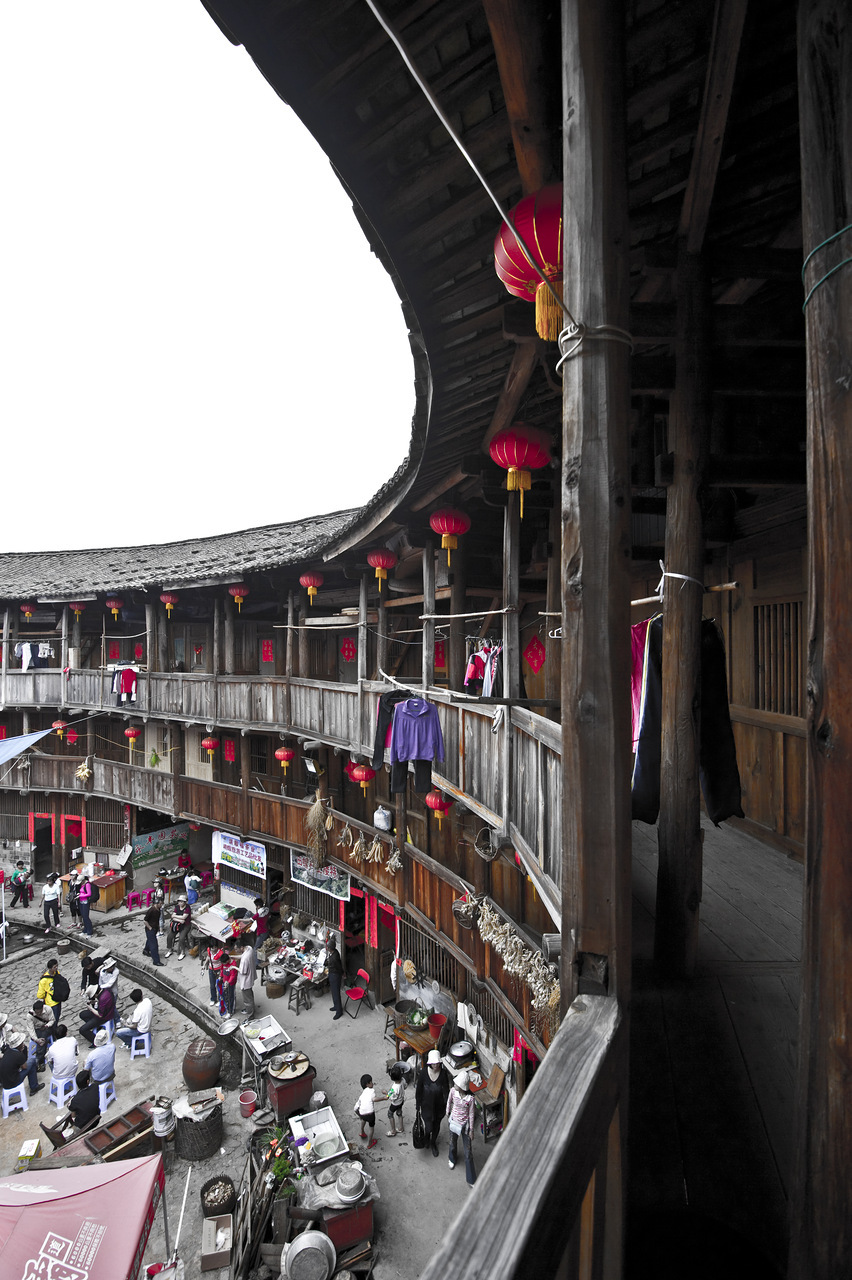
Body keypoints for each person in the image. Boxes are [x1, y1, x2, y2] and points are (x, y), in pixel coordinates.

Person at [415, 1048, 450, 1157]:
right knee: (428, 1127)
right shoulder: (424, 1073)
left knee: (436, 1126)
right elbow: (419, 1090)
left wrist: (447, 1105)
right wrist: (418, 1104)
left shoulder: (443, 1074)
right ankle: (426, 1138)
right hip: (426, 1106)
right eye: (434, 1064)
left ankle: (433, 1142)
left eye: (438, 1063)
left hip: (439, 1106)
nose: (436, 1066)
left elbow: (446, 1090)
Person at [446, 1069, 477, 1185]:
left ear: (463, 1087)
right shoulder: (453, 1092)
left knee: (468, 1152)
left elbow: (471, 1114)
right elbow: (449, 1102)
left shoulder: (470, 1099)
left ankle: (471, 1178)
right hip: (453, 1121)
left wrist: (471, 1130)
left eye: (457, 1084)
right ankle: (452, 1158)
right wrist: (447, 1112)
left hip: (465, 1126)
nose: (454, 1085)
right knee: (452, 1143)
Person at [0, 1028, 43, 1096]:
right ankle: (34, 1087)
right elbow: (25, 1067)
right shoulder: (18, 1055)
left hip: (5, 1083)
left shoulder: (7, 1051)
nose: (23, 1044)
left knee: (29, 1063)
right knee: (31, 1062)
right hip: (14, 1082)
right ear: (19, 1044)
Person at [354, 1072, 387, 1150]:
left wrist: (360, 1116)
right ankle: (369, 1143)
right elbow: (374, 1099)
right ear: (367, 1084)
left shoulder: (362, 1095)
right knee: (371, 1128)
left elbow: (355, 1108)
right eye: (371, 1082)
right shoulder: (371, 1090)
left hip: (362, 1112)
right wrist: (384, 1098)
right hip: (370, 1113)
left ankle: (361, 1132)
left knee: (363, 1119)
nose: (372, 1083)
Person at [36, 958, 66, 1024]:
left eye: (57, 966)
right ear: (50, 968)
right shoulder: (43, 981)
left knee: (57, 1017)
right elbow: (40, 995)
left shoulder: (56, 973)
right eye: (54, 967)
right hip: (51, 1003)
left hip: (58, 999)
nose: (56, 968)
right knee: (53, 1019)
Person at [27, 999, 55, 1070]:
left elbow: (52, 1020)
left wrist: (46, 1026)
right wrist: (36, 1039)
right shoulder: (30, 1016)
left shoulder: (48, 1009)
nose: (39, 1014)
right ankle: (40, 1060)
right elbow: (31, 1029)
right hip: (37, 1029)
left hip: (47, 1026)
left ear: (43, 1008)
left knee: (44, 1035)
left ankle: (39, 1060)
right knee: (41, 1039)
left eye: (40, 1012)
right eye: (37, 1012)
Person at [386, 1062, 407, 1136]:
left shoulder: (395, 1087)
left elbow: (392, 1098)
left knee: (390, 1114)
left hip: (395, 1103)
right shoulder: (403, 1080)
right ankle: (401, 1128)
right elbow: (405, 1086)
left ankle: (393, 1130)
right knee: (399, 1113)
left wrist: (387, 1093)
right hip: (401, 1101)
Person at [237, 943, 257, 1018]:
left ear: (241, 947)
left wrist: (233, 967)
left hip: (246, 982)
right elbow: (242, 956)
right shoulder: (249, 948)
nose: (236, 950)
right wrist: (232, 957)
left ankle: (250, 1015)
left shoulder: (245, 959)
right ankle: (251, 1009)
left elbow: (243, 971)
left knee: (247, 1000)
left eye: (237, 949)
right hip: (250, 978)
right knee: (250, 996)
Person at [327, 935, 344, 1019]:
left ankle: (339, 1011)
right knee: (333, 992)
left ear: (330, 948)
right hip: (333, 974)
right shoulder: (335, 952)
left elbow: (338, 967)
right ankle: (336, 1006)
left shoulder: (334, 958)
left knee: (336, 993)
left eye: (328, 947)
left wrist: (342, 974)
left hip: (335, 976)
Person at [219, 952, 238, 1017]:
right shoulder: (223, 963)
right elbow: (222, 969)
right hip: (224, 981)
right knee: (225, 995)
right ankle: (227, 1006)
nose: (223, 964)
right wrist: (220, 976)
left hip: (231, 983)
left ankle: (230, 1011)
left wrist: (228, 982)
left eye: (223, 963)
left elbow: (233, 975)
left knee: (231, 996)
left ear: (227, 961)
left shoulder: (233, 964)